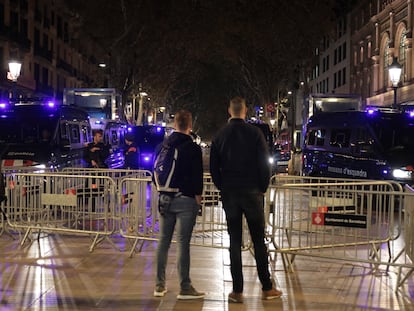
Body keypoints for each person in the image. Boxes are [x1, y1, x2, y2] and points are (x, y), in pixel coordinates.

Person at [209, 96, 283, 303]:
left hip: (230, 192)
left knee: (234, 241)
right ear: (245, 111)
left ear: (229, 111)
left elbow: (214, 167)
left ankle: (237, 290)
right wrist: (262, 187)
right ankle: (267, 287)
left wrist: (222, 186)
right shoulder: (255, 133)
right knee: (258, 240)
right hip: (252, 192)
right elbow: (264, 163)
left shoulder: (220, 135)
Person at [153, 109, 204, 300]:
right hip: (186, 199)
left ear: (175, 124)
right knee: (183, 243)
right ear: (190, 125)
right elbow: (197, 177)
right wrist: (198, 199)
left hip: (165, 198)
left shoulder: (162, 146)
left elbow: (155, 171)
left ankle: (159, 285)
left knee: (163, 241)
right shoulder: (192, 148)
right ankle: (185, 286)